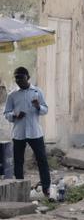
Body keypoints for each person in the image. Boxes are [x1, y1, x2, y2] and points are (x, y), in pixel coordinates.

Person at [5, 67, 50, 199]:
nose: (19, 80)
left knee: (42, 160)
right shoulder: (12, 95)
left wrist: (37, 106)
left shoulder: (37, 92)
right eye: (16, 78)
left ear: (28, 77)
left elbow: (45, 109)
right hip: (19, 133)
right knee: (18, 162)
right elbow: (6, 113)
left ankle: (46, 188)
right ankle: (20, 190)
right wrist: (14, 115)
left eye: (21, 77)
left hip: (35, 132)